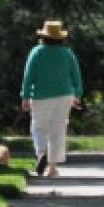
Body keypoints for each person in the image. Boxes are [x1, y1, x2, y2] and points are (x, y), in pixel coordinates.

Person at [19, 19, 82, 177]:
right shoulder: (67, 53)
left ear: (43, 37)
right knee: (58, 130)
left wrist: (25, 96)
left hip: (40, 95)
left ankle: (41, 153)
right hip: (64, 95)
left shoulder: (36, 52)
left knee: (39, 127)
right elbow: (76, 75)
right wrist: (77, 94)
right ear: (61, 38)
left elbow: (28, 76)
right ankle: (52, 167)